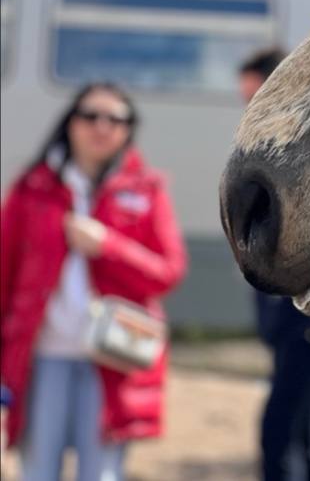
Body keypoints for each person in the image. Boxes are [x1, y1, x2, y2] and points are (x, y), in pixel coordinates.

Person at [0, 83, 187, 480]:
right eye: (90, 116)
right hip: (43, 354)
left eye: (115, 118)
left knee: (100, 473)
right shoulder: (32, 188)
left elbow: (169, 271)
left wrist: (108, 245)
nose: (102, 126)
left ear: (128, 129)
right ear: (70, 122)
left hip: (114, 357)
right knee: (37, 470)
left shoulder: (148, 189)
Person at [239, 49, 310, 481]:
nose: (249, 111)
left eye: (255, 98)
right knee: (303, 431)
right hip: (299, 316)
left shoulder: (306, 146)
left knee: (282, 431)